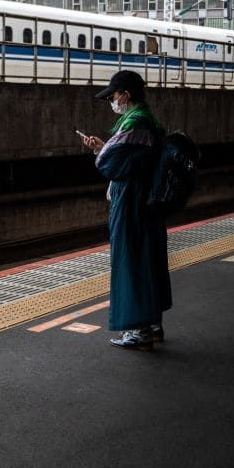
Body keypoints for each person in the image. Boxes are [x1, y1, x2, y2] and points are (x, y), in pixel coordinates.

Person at [82, 70, 172, 351]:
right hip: (146, 200)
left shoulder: (135, 121)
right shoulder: (148, 120)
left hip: (132, 200)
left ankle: (139, 331)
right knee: (147, 258)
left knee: (130, 260)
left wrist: (101, 151)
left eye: (113, 95)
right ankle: (152, 325)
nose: (112, 100)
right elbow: (122, 152)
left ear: (126, 95)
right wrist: (104, 146)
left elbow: (108, 162)